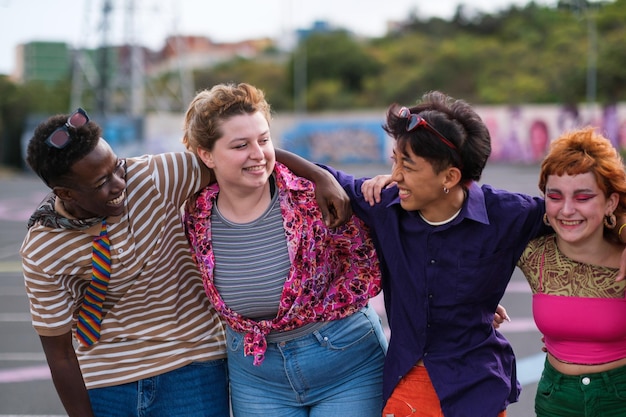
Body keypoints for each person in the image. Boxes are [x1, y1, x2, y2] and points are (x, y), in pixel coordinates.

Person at [21, 107, 351, 417]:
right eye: (101, 183)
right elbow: (60, 354)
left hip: (193, 365)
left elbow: (242, 160)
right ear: (65, 194)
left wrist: (320, 176)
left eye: (116, 167)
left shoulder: (151, 176)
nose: (120, 184)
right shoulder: (42, 249)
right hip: (108, 378)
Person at [277, 90, 559, 417]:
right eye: (394, 160)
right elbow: (290, 168)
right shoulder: (384, 203)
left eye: (407, 166)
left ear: (450, 177)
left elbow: (585, 210)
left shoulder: (508, 214)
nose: (395, 175)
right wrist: (321, 176)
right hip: (406, 385)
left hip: (477, 389)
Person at [181, 82, 387, 417]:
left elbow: (392, 241)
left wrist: (465, 298)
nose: (258, 153)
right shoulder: (194, 212)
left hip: (346, 363)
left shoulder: (314, 195)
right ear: (206, 155)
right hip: (256, 376)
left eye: (263, 140)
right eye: (239, 145)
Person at [517, 127, 626, 417]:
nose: (566, 210)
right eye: (555, 196)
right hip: (556, 400)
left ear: (611, 202)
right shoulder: (533, 254)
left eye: (582, 197)